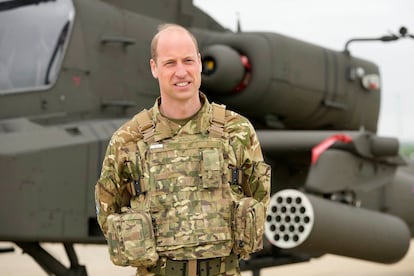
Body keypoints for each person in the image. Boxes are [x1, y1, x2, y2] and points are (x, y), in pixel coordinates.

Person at [95, 23, 271, 276]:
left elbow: (259, 196)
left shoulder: (238, 131)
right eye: (170, 63)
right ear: (154, 68)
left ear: (199, 63)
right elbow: (107, 210)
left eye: (188, 60)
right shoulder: (128, 139)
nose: (181, 72)